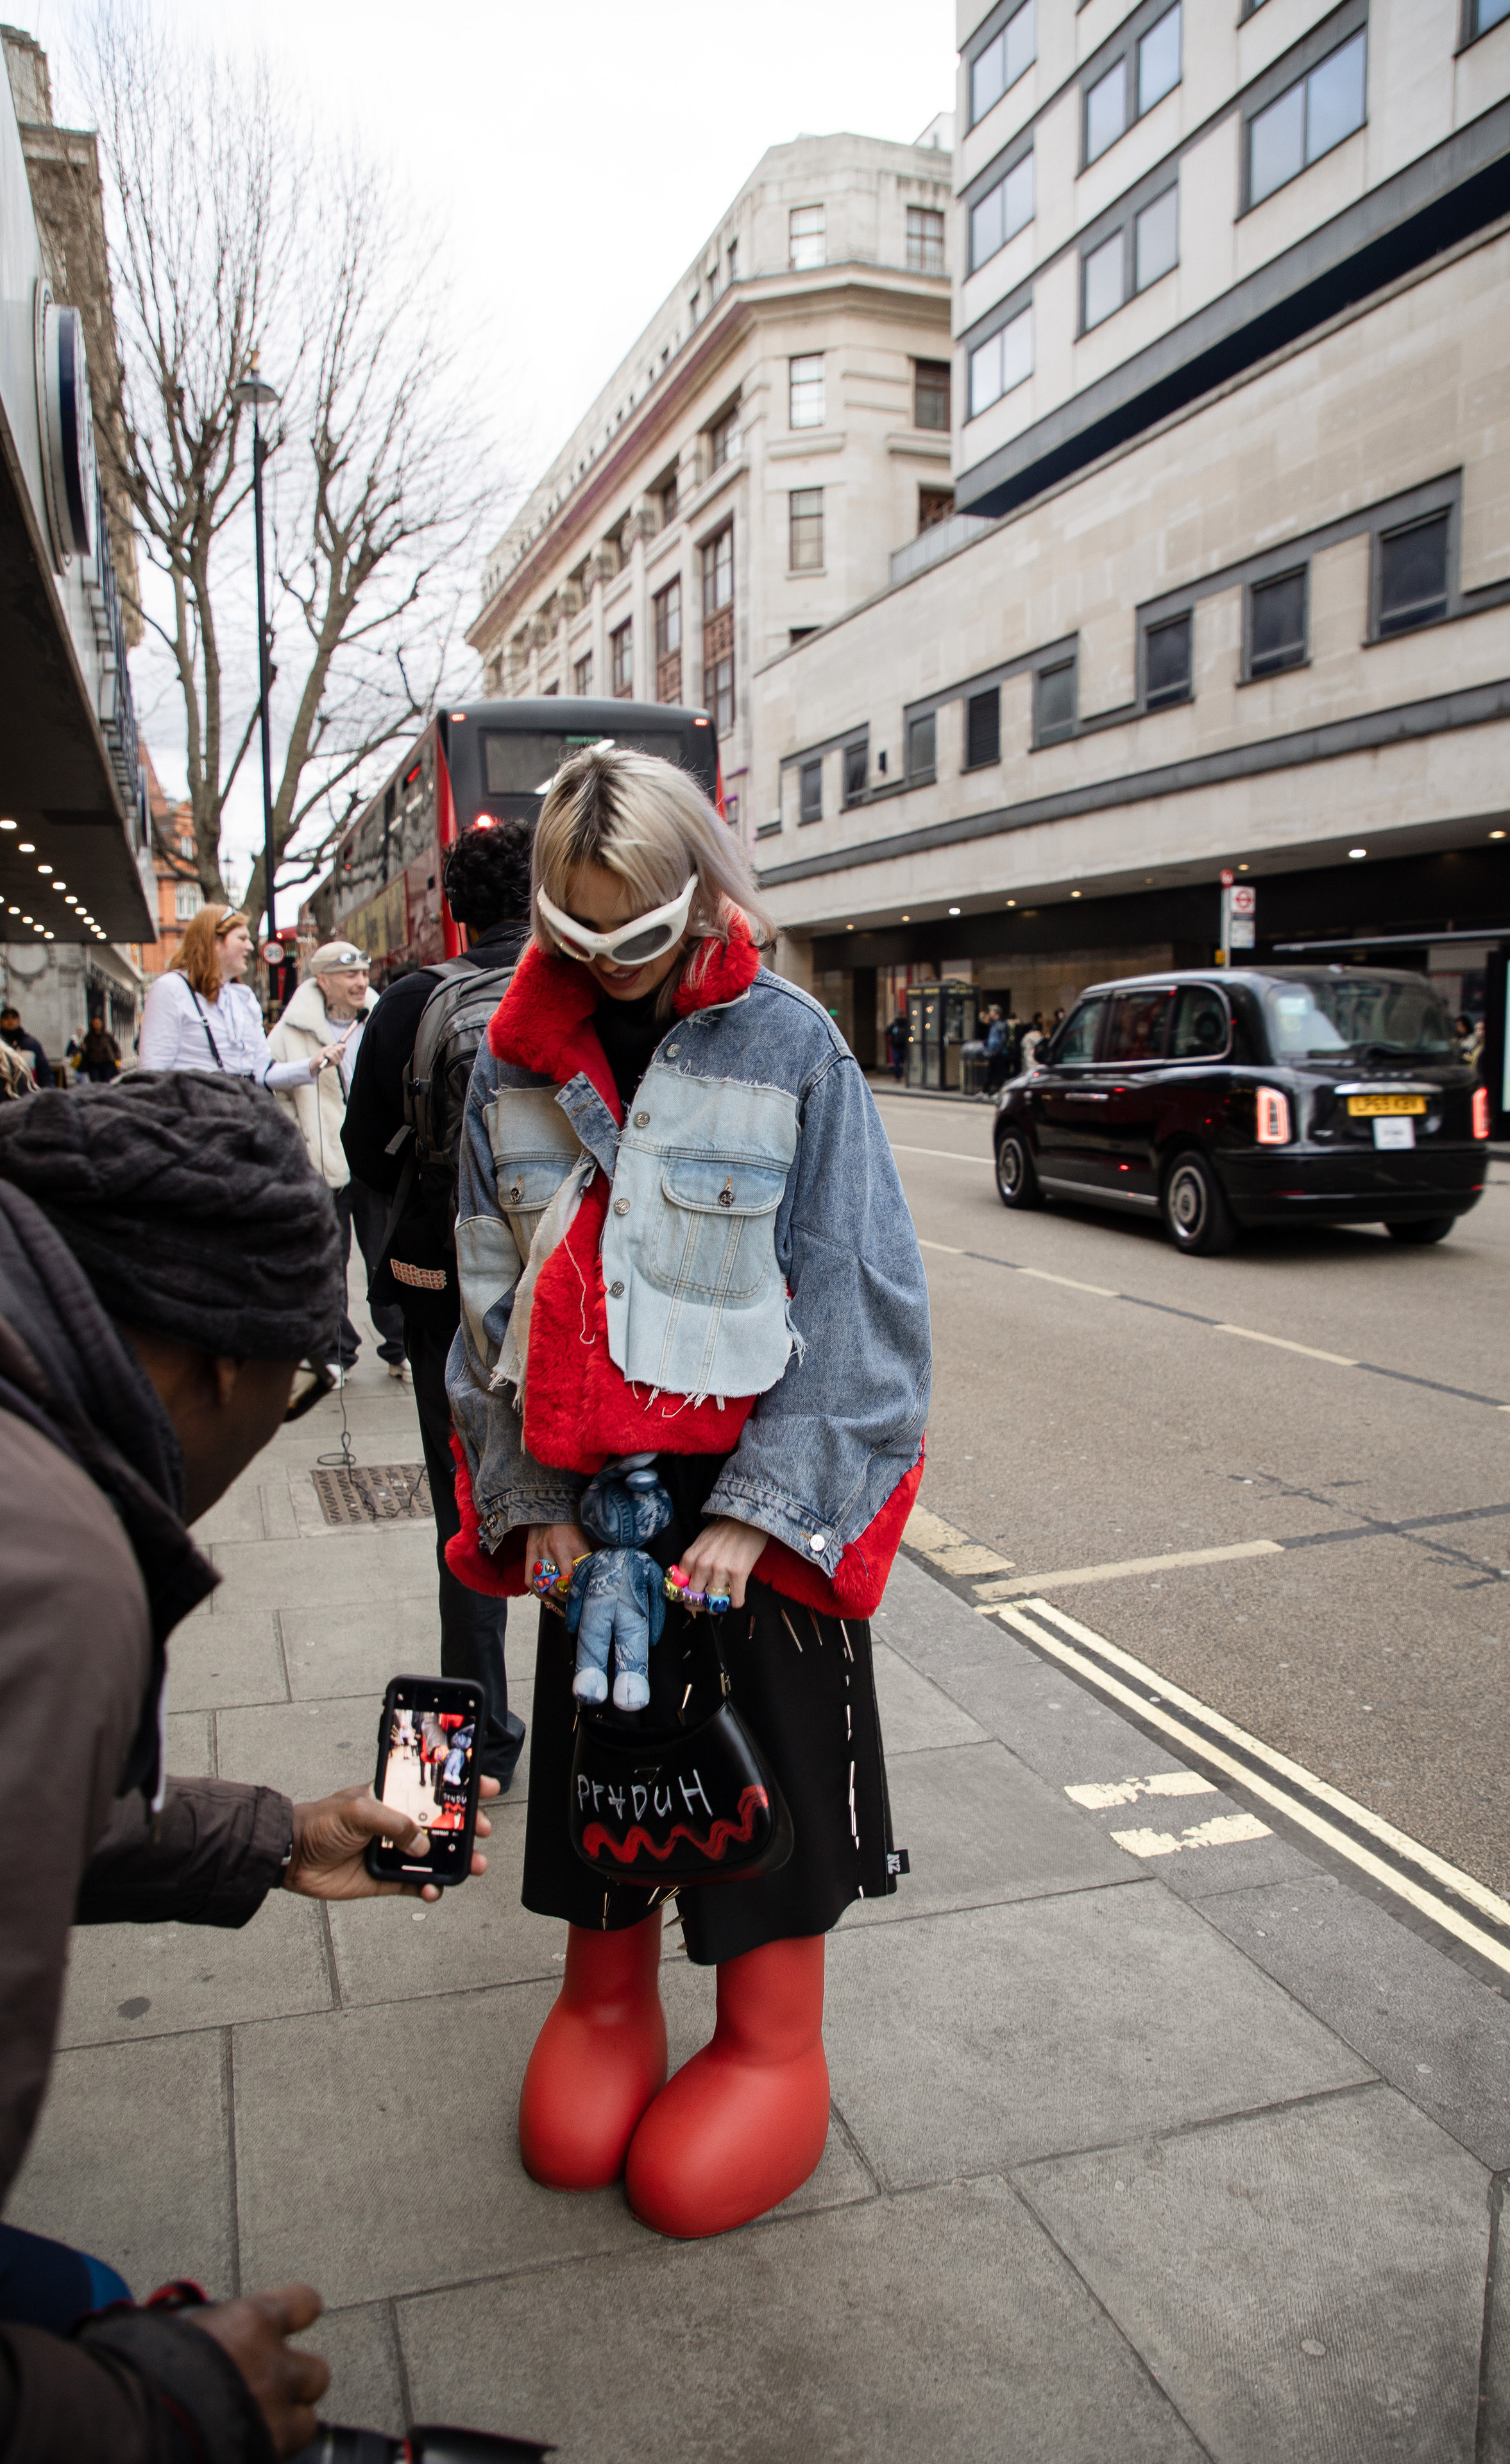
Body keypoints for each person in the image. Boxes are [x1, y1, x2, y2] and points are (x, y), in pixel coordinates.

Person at [446, 742, 930, 2239]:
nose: (612, 975)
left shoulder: (791, 1047)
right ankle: (606, 1999)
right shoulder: (510, 1058)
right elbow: (489, 1298)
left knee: (760, 1804)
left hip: (748, 1532)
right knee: (609, 1796)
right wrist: (526, 1503)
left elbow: (862, 1310)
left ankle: (770, 2036)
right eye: (576, 941)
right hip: (591, 1520)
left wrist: (761, 1509)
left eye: (639, 938)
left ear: (698, 896)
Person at [0, 1070, 496, 2463]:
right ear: (219, 1363)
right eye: (287, 1395)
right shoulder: (51, 1571)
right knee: (101, 2314)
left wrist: (273, 1836)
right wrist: (171, 2408)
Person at [342, 819, 536, 1792]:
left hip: (447, 1301)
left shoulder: (412, 1005)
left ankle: (481, 1739)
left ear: (452, 908)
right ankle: (607, 1711)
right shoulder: (583, 990)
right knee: (599, 1497)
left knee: (469, 1505)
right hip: (577, 1303)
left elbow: (364, 1149)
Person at [267, 941, 405, 1384]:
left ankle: (399, 1347)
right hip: (322, 1160)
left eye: (364, 973)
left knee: (384, 1255)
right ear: (322, 980)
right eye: (349, 976)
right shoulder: (292, 1030)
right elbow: (272, 1087)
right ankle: (335, 1351)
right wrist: (301, 1140)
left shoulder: (381, 1016)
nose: (361, 982)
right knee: (329, 1260)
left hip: (372, 1156)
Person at [137, 905, 346, 1094]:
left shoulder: (242, 997)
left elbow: (263, 1072)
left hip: (240, 1121)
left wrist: (312, 1065)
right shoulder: (170, 989)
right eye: (242, 938)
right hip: (195, 1126)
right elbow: (152, 1076)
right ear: (216, 941)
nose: (250, 947)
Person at [0, 1006, 50, 1088]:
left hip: (29, 1092)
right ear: (1, 1022)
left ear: (19, 1021)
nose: (10, 1021)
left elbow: (44, 1072)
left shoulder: (32, 1044)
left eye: (13, 1018)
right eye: (6, 1018)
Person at [78, 1013, 122, 1082]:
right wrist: (83, 1049)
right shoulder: (89, 1037)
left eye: (98, 1023)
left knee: (106, 1082)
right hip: (94, 1064)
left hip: (107, 1062)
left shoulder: (108, 1036)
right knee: (95, 1082)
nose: (97, 1025)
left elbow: (116, 1047)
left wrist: (118, 1059)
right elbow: (85, 1052)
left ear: (102, 1024)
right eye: (95, 1023)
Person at [885, 1007, 908, 1082]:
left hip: (896, 1046)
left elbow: (887, 1032)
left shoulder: (894, 1024)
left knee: (897, 1063)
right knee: (906, 1062)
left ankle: (897, 1078)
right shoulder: (907, 1023)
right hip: (905, 1046)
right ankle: (908, 1077)